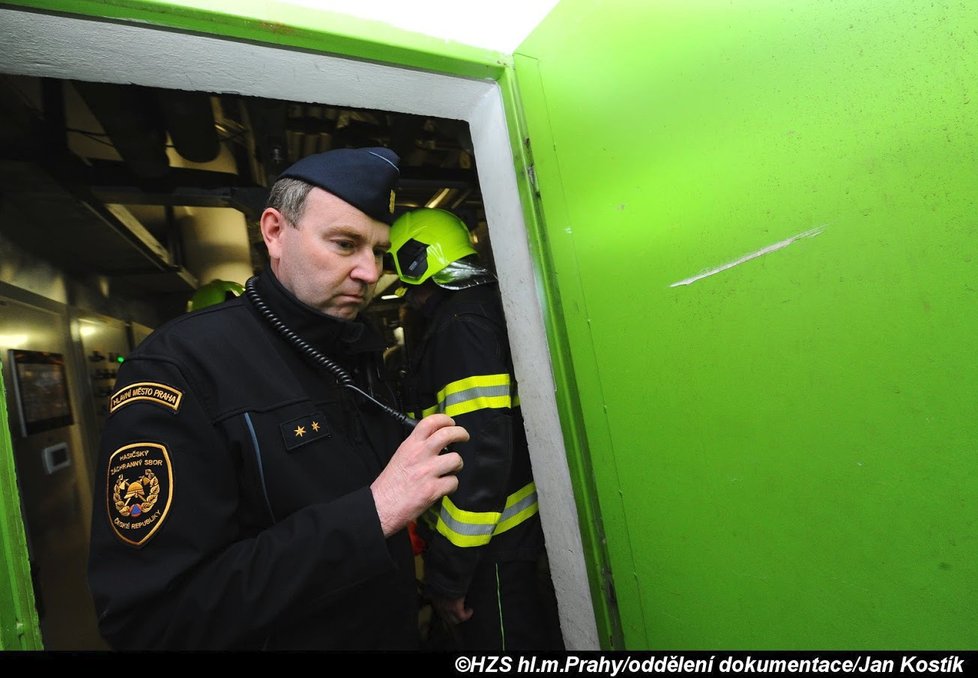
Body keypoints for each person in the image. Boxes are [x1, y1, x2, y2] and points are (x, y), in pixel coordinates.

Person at [87, 147, 468, 650]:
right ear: (274, 232)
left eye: (376, 250)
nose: (371, 272)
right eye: (345, 243)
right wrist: (372, 513)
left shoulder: (355, 347)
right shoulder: (179, 368)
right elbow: (153, 621)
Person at [388, 208, 563, 651]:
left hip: (490, 544)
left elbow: (479, 453)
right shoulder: (488, 306)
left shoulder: (459, 325)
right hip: (512, 533)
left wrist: (448, 576)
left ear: (414, 266)